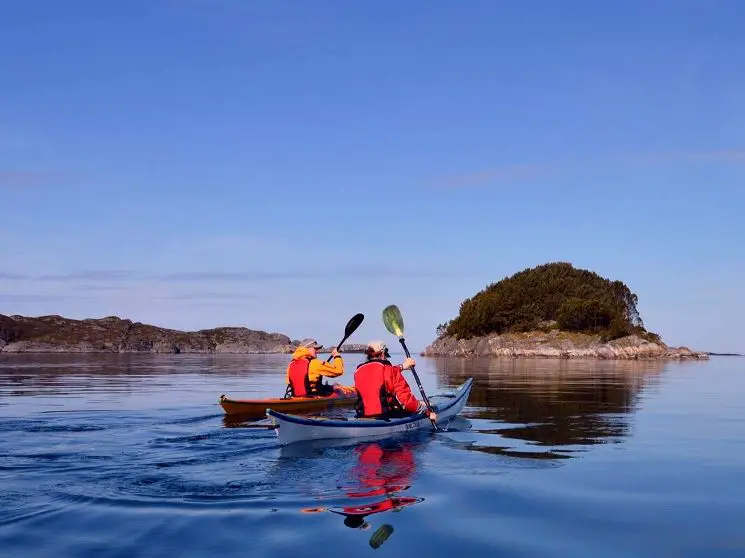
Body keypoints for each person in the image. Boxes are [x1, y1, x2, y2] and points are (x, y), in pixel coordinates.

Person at [353, 340, 437, 421]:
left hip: (362, 414)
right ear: (382, 353)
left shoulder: (358, 371)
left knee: (421, 403)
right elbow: (406, 401)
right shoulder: (389, 370)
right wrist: (426, 411)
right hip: (385, 416)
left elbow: (381, 373)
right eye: (386, 355)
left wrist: (403, 366)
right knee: (429, 405)